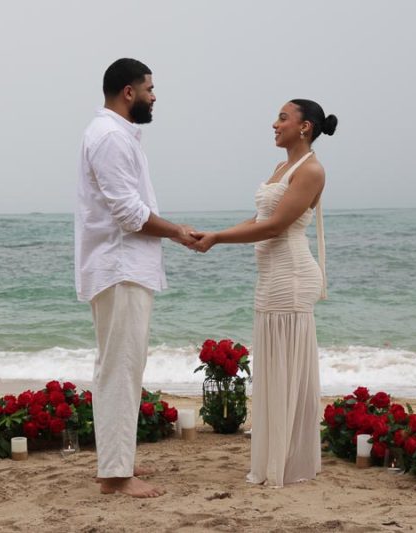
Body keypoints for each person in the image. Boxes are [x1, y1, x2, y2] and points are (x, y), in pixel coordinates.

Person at [192, 99, 337, 487]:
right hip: (270, 277)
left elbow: (275, 227)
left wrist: (219, 239)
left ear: (304, 127)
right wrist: (214, 233)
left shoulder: (312, 170)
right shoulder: (281, 167)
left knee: (286, 368)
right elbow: (259, 219)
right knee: (273, 368)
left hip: (290, 277)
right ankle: (277, 457)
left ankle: (290, 463)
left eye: (283, 118)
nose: (274, 124)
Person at [75, 58, 197, 498]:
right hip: (119, 265)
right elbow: (128, 214)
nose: (154, 95)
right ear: (129, 91)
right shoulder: (109, 136)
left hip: (122, 266)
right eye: (149, 87)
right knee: (121, 368)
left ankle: (117, 461)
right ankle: (116, 476)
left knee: (121, 366)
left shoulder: (117, 134)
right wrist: (178, 232)